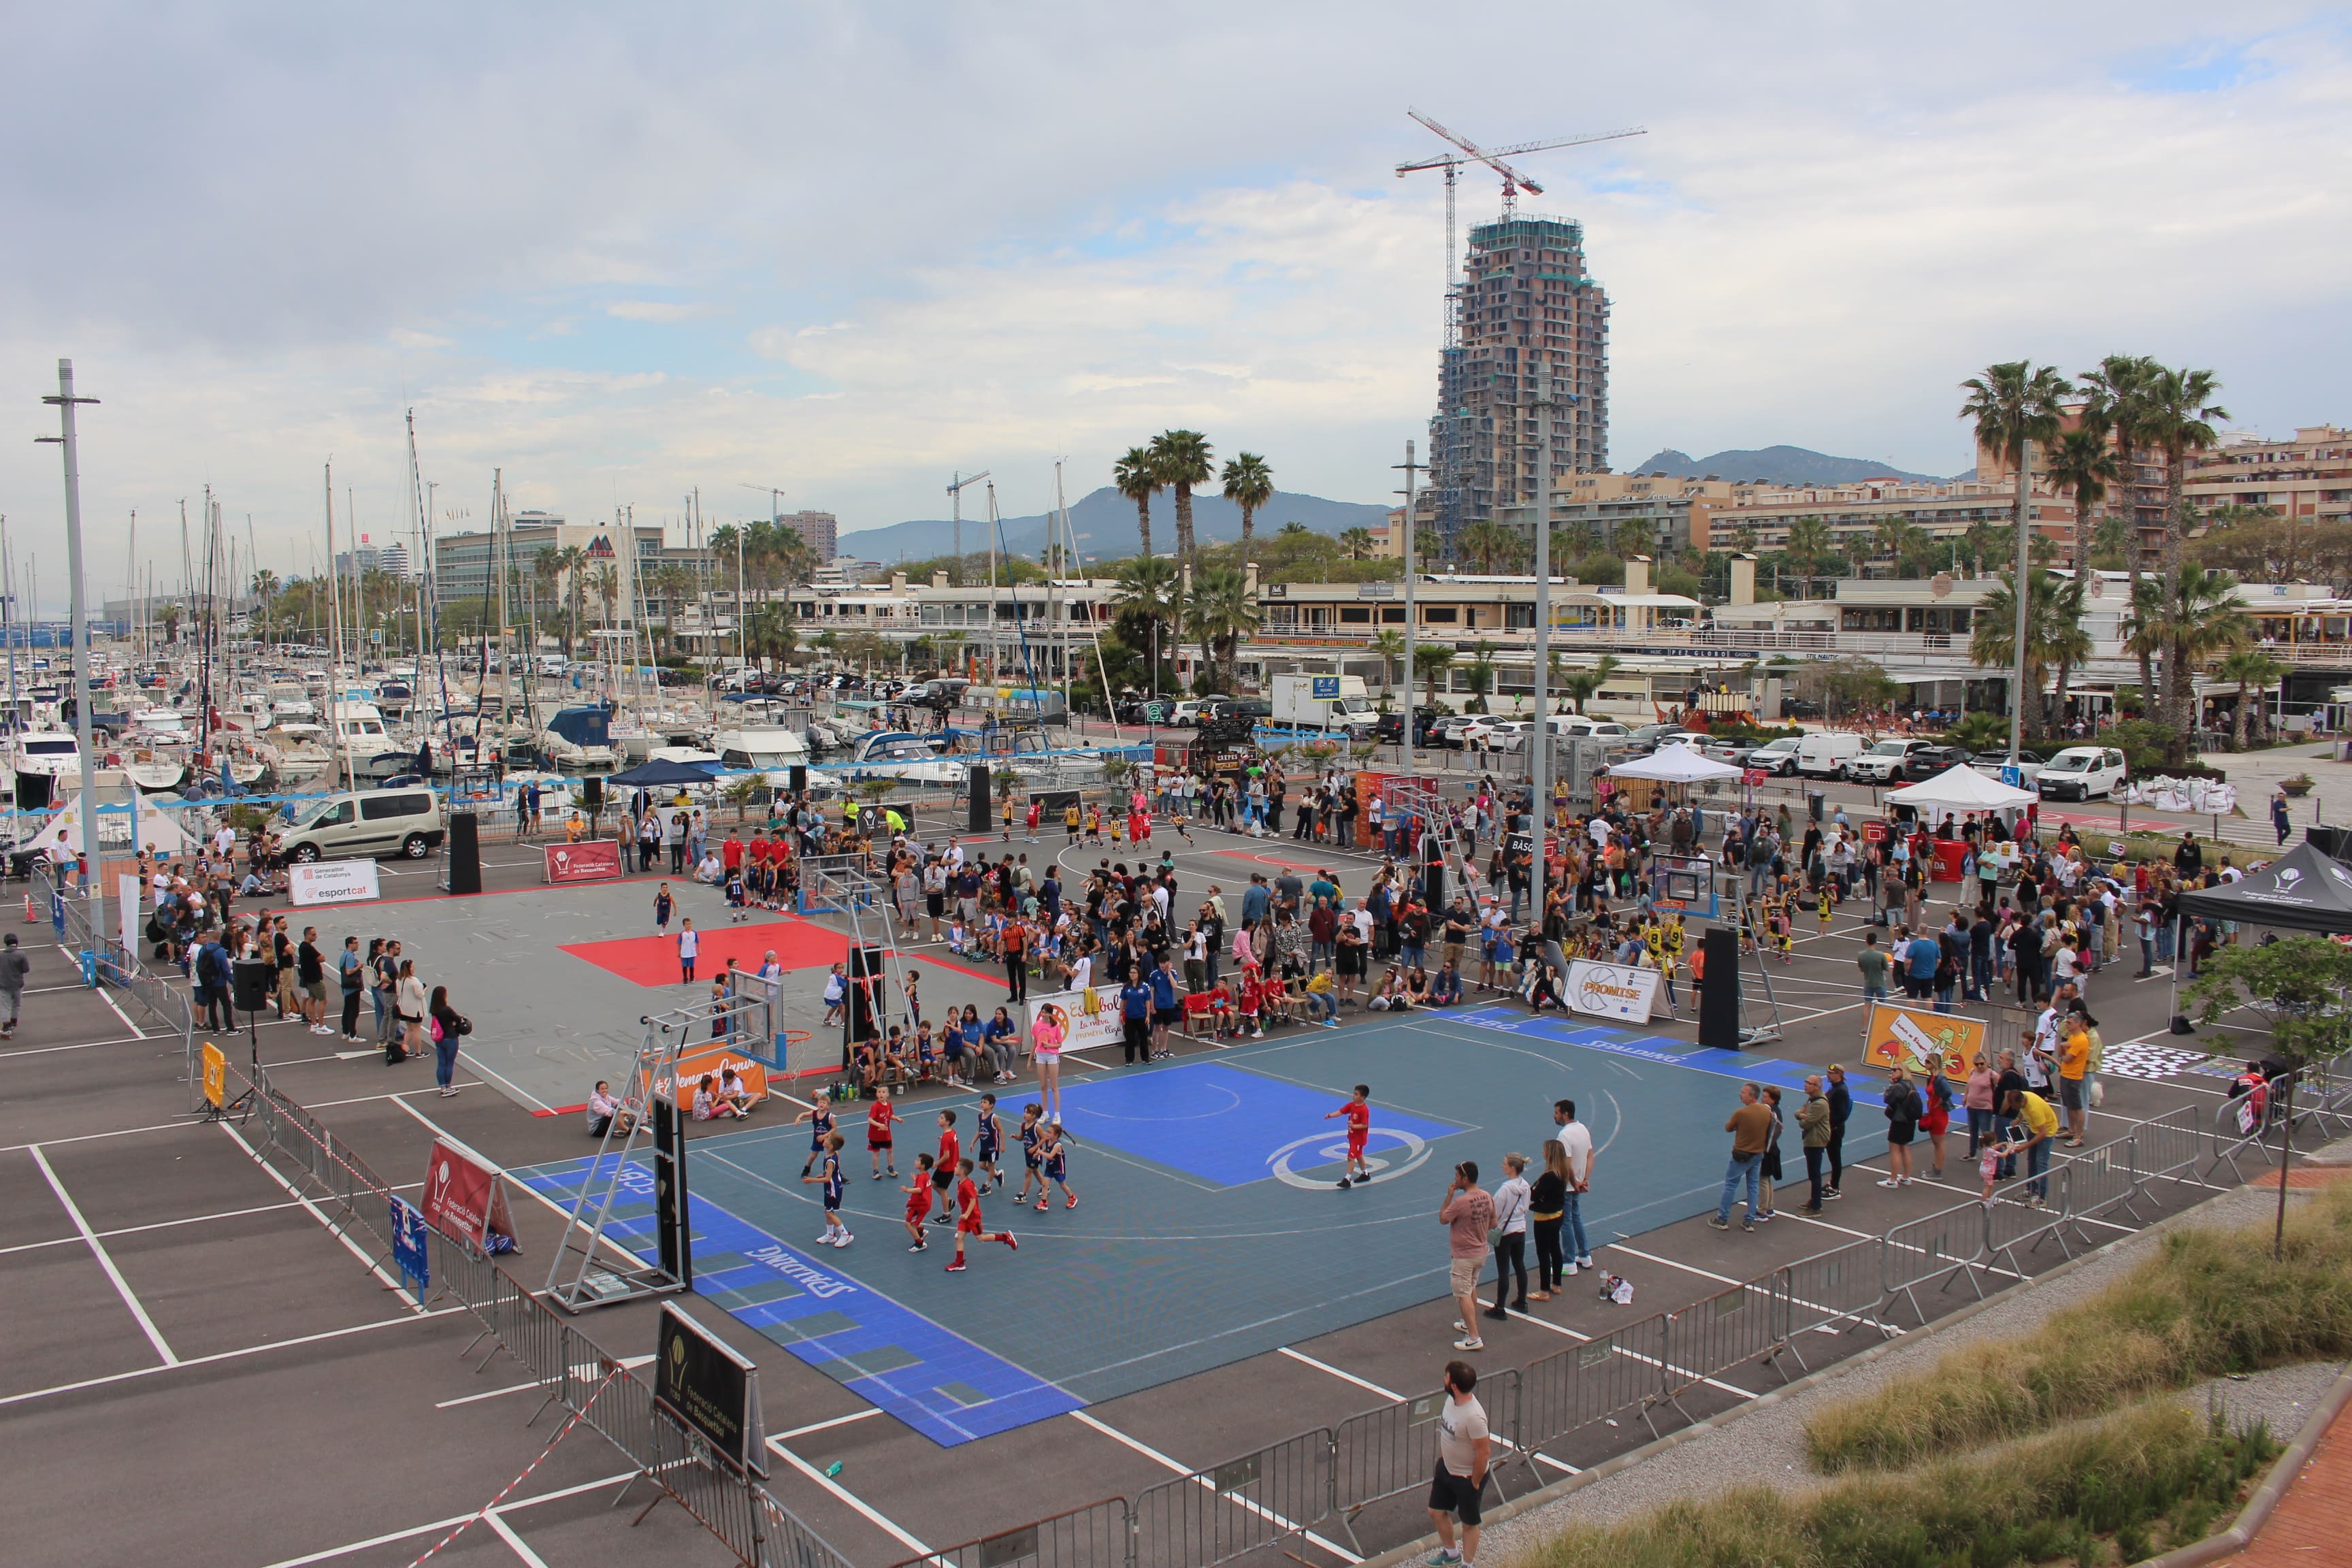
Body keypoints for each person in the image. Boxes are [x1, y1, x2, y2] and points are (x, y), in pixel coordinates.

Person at [1424, 1360, 1490, 1568]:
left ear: (1453, 1385)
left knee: (1469, 1523)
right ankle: (1451, 1554)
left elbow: (1484, 1452)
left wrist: (1476, 1481)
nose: (1443, 1379)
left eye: (1446, 1377)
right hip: (1447, 1469)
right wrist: (1443, 1457)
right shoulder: (1450, 1401)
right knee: (1436, 1511)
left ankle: (1468, 1565)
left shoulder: (1474, 1416)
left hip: (1467, 1477)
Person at [1439, 1160, 1494, 1352]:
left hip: (1464, 1255)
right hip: (1481, 1251)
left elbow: (1443, 1218)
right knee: (1471, 1287)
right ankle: (1467, 1322)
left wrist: (1449, 1196)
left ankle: (1474, 1336)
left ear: (1465, 1179)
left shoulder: (1461, 1202)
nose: (1455, 1180)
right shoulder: (1486, 1196)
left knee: (1462, 1293)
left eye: (1457, 1177)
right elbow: (1493, 1222)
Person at [1712, 1081, 1771, 1231]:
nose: (1740, 1094)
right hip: (1758, 1154)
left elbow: (1728, 1128)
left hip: (1741, 1155)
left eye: (1743, 1092)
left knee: (1730, 1185)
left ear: (1751, 1097)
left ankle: (1722, 1218)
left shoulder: (1741, 1113)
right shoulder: (1766, 1111)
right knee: (1753, 1186)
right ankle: (1750, 1220)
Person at [945, 1158, 1018, 1273]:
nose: (954, 1169)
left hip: (973, 1217)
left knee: (981, 1238)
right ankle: (959, 1263)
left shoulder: (966, 1185)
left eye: (956, 1167)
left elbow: (973, 1200)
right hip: (965, 1217)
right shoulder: (962, 1182)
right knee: (960, 1238)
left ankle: (1005, 1237)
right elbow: (973, 1190)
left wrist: (966, 1214)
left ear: (962, 1171)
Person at [1550, 1100, 1595, 1275]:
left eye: (1556, 1112)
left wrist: (1575, 1183)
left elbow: (1566, 1163)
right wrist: (1583, 1180)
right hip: (1577, 1184)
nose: (1554, 1115)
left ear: (1565, 1114)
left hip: (1567, 1186)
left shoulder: (1564, 1135)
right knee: (1576, 1218)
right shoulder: (1583, 1129)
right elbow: (1590, 1156)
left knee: (1565, 1222)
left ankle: (1569, 1262)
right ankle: (1584, 1255)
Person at [1484, 1153, 1531, 1322]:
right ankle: (1522, 1300)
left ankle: (1500, 1307)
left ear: (1512, 1168)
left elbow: (1494, 1210)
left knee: (1503, 1270)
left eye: (1505, 1164)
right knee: (1519, 1265)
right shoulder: (1525, 1186)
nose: (1502, 1166)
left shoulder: (1505, 1189)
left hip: (1506, 1232)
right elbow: (1526, 1207)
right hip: (1520, 1229)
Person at [2005, 1085, 2059, 1207]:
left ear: (2021, 1101)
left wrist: (2025, 1147)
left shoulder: (2035, 1109)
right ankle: (2031, 1189)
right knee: (2031, 1160)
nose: (2013, 1108)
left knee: (2041, 1163)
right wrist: (2018, 1120)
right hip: (2034, 1128)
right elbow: (2022, 1110)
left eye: (2014, 1105)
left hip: (2046, 1133)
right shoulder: (2023, 1097)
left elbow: (2043, 1133)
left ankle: (2042, 1197)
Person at [1528, 1141, 1569, 1301]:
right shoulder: (1562, 1173)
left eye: (1544, 1151)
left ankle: (1544, 1291)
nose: (1542, 1153)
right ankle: (1556, 1284)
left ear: (1550, 1154)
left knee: (1543, 1253)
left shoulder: (1548, 1176)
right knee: (1555, 1249)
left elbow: (1533, 1193)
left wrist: (1537, 1194)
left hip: (1544, 1219)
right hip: (1557, 1215)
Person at [802, 1130, 852, 1247]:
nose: (824, 1140)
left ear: (830, 1145)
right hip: (830, 1186)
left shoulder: (830, 1160)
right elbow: (833, 1172)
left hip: (833, 1188)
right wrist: (823, 1173)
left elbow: (828, 1179)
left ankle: (845, 1234)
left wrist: (811, 1180)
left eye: (827, 1139)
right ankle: (830, 1234)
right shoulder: (831, 1155)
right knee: (828, 1211)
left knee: (830, 1213)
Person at [1878, 1065, 1920, 1187]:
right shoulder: (1911, 1084)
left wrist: (1891, 1085)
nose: (1893, 1072)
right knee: (1905, 1147)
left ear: (1903, 1071)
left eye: (1895, 1070)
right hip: (1909, 1121)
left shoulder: (1898, 1087)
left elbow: (1887, 1098)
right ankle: (1906, 1177)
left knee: (1895, 1150)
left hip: (1899, 1121)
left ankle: (1892, 1180)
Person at [1795, 1075, 1831, 1213]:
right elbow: (1798, 1112)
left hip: (1816, 1141)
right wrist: (1801, 1115)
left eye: (1808, 1083)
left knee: (1815, 1174)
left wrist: (1802, 1118)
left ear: (1817, 1086)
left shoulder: (1819, 1104)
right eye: (1805, 1081)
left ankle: (1817, 1206)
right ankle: (1814, 1199)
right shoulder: (1812, 1100)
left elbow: (1806, 1123)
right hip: (1811, 1140)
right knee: (1813, 1173)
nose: (1805, 1085)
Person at [426, 984, 470, 1098]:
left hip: (440, 1038)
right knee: (449, 1063)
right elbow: (459, 1019)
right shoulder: (447, 1010)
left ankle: (442, 1087)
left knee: (441, 1063)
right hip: (451, 1038)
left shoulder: (434, 1010)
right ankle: (449, 1087)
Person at [1328, 1083, 1373, 1189]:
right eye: (1354, 1093)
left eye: (1356, 1094)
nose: (1354, 1096)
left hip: (1359, 1138)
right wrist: (1330, 1116)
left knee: (1351, 1157)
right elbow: (1341, 1111)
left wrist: (1353, 1126)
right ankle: (1365, 1174)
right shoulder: (1351, 1105)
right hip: (1352, 1137)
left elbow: (1364, 1125)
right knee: (1358, 1155)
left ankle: (1347, 1179)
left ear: (1363, 1098)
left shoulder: (1364, 1110)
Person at [1823, 1063, 1852, 1199]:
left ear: (1839, 1075)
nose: (1828, 1075)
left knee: (1835, 1158)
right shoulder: (1835, 1088)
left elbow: (1841, 1114)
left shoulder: (1840, 1091)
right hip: (1833, 1128)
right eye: (1828, 1072)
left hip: (1835, 1130)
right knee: (1833, 1157)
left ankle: (1835, 1187)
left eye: (1831, 1073)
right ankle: (1833, 1183)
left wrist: (1830, 1125)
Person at [1117, 965, 1154, 1066]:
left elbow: (1147, 1001)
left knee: (1143, 1038)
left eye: (1134, 973)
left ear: (1138, 974)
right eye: (1131, 973)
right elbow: (1123, 1001)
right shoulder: (1126, 987)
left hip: (1141, 1016)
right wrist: (1121, 1013)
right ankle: (1129, 1059)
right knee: (1130, 1039)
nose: (1132, 975)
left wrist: (1147, 1016)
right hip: (1130, 1016)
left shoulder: (1145, 986)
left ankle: (1145, 1058)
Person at [902, 1154, 936, 1251]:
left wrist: (907, 1190)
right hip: (923, 1203)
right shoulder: (924, 1175)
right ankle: (920, 1231)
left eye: (918, 1160)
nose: (915, 1161)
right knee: (907, 1214)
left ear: (923, 1166)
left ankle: (919, 1243)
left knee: (908, 1224)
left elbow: (920, 1190)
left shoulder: (921, 1177)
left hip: (921, 1205)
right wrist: (915, 1180)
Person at [0, 932, 28, 1039]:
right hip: (18, 984)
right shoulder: (21, 955)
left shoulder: (1, 956)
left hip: (4, 985)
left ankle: (6, 1026)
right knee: (16, 1005)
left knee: (5, 1006)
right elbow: (26, 969)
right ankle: (13, 1022)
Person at [866, 1084, 898, 1179]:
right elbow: (870, 1119)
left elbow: (890, 1115)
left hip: (886, 1134)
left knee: (890, 1150)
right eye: (879, 1092)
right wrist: (879, 1125)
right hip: (875, 1135)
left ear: (888, 1094)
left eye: (883, 1092)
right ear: (876, 1094)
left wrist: (896, 1118)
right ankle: (875, 1171)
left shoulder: (889, 1104)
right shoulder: (875, 1106)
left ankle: (890, 1168)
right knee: (876, 1153)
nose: (881, 1094)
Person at [677, 918, 700, 984]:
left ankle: (692, 977)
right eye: (687, 924)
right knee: (684, 966)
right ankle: (685, 978)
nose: (689, 925)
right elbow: (679, 943)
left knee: (691, 966)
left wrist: (699, 950)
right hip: (684, 953)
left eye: (690, 924)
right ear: (684, 925)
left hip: (692, 953)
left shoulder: (694, 933)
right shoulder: (682, 934)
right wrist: (679, 952)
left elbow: (698, 941)